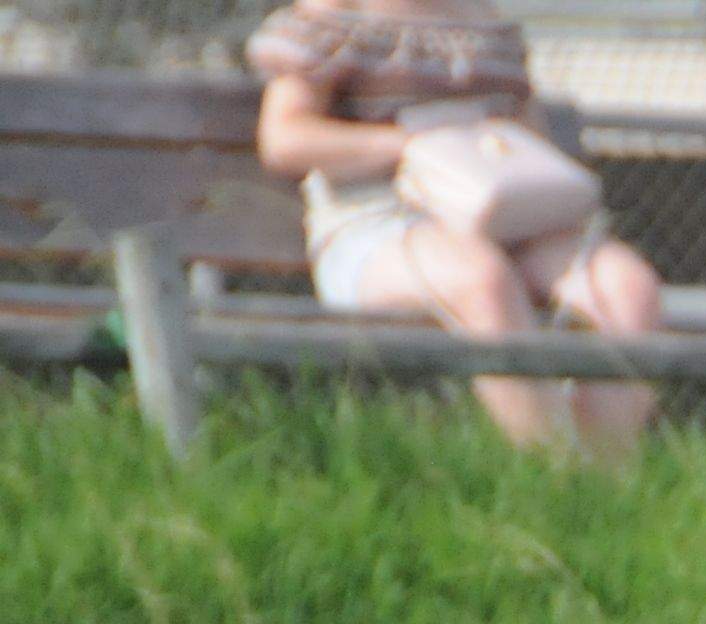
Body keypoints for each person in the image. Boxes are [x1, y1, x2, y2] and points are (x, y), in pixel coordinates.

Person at [248, 0, 672, 457]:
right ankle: (556, 481)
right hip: (379, 223)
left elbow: (529, 135)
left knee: (627, 287)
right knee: (481, 279)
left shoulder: (486, 22)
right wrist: (413, 146)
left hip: (505, 218)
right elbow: (285, 140)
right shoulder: (332, 18)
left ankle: (606, 482)